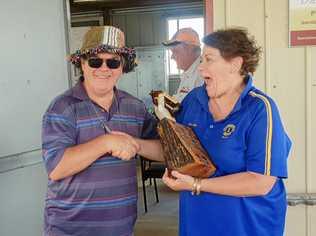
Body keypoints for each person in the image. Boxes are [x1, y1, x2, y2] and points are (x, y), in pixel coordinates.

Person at [162, 28, 292, 236]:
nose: (201, 67)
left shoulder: (260, 109)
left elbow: (261, 182)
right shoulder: (194, 101)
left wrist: (196, 184)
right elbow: (171, 146)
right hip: (198, 225)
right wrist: (129, 143)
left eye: (208, 59)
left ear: (235, 64)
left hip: (247, 227)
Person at [42, 26, 162, 236]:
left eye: (113, 61)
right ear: (82, 63)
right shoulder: (62, 107)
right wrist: (106, 142)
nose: (104, 68)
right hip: (70, 229)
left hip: (121, 228)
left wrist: (135, 144)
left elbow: (164, 151)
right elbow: (57, 168)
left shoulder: (134, 106)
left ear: (123, 66)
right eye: (95, 61)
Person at [162, 28, 204, 102]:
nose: (172, 57)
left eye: (175, 51)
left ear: (189, 50)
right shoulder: (189, 73)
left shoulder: (202, 75)